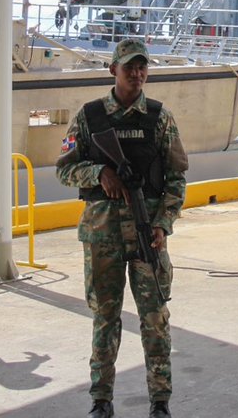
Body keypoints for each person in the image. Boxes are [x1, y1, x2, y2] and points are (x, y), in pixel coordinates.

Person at [56, 40, 188, 418]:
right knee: (105, 318)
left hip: (148, 235)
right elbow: (64, 168)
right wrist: (99, 172)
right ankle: (101, 399)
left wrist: (163, 223)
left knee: (155, 319)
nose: (137, 73)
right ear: (113, 69)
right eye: (129, 66)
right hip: (103, 237)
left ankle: (160, 401)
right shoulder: (90, 117)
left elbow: (177, 178)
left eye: (142, 67)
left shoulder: (160, 118)